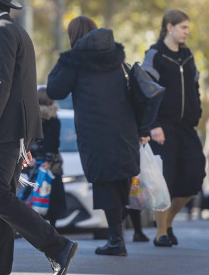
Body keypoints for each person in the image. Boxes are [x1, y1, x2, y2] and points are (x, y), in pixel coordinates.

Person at [0, 0, 77, 275]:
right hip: (12, 131)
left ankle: (57, 246)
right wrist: (25, 138)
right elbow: (21, 88)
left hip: (2, 130)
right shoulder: (13, 30)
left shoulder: (1, 32)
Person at [47, 16, 149, 257]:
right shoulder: (115, 56)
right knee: (120, 179)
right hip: (125, 129)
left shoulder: (75, 60)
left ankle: (116, 241)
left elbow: (54, 89)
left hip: (96, 131)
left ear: (74, 36)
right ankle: (117, 237)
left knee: (104, 182)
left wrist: (65, 59)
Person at [141, 9, 206, 247]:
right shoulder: (155, 54)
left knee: (195, 176)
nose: (187, 32)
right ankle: (161, 233)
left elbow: (195, 86)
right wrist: (153, 125)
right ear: (169, 27)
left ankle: (167, 222)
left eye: (188, 28)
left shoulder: (188, 55)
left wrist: (197, 111)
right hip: (163, 128)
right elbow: (146, 91)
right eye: (183, 27)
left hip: (186, 127)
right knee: (164, 181)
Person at [32, 87, 67, 227]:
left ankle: (34, 229)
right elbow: (53, 143)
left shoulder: (31, 118)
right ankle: (52, 229)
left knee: (32, 197)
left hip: (33, 163)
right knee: (52, 200)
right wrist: (49, 161)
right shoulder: (54, 119)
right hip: (50, 165)